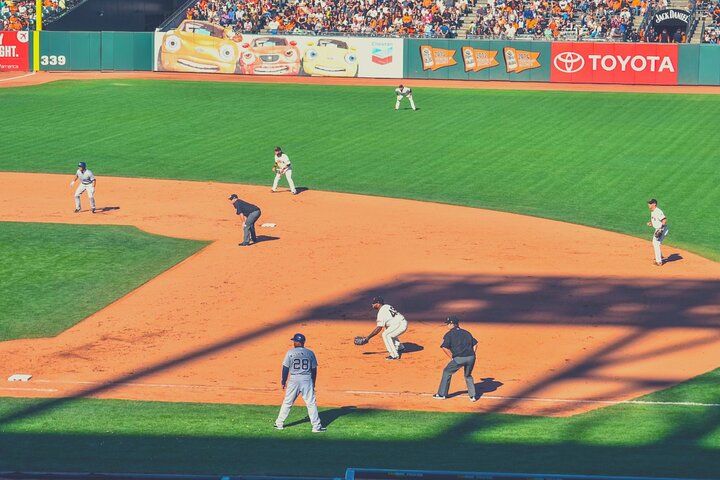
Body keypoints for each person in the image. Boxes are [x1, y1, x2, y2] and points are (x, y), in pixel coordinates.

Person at [274, 333, 326, 433]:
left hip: (294, 379)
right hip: (307, 379)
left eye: (294, 341)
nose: (293, 342)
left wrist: (283, 381)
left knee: (287, 402)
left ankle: (279, 423)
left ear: (298, 342)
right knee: (311, 403)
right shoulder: (310, 353)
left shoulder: (290, 353)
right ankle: (316, 427)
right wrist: (313, 382)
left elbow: (285, 368)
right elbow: (314, 370)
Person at [433, 316, 478, 401]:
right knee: (468, 375)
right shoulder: (466, 332)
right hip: (471, 357)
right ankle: (473, 396)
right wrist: (473, 354)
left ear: (452, 324)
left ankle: (442, 394)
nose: (447, 326)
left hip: (459, 358)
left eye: (448, 324)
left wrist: (452, 358)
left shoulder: (449, 334)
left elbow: (444, 347)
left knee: (447, 371)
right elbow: (475, 344)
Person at [362, 296, 408, 360]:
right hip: (400, 323)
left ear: (378, 304)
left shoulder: (382, 312)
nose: (372, 305)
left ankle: (394, 355)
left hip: (400, 325)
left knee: (386, 335)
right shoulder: (387, 306)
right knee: (388, 330)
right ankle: (400, 347)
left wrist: (368, 338)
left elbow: (378, 328)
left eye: (373, 303)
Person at [647, 198, 668, 266]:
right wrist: (651, 223)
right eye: (649, 203)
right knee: (656, 243)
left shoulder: (658, 211)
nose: (648, 204)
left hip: (662, 229)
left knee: (656, 244)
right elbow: (656, 220)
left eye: (650, 203)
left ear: (654, 204)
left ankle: (659, 262)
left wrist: (661, 229)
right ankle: (660, 256)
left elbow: (664, 220)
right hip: (659, 228)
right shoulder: (653, 211)